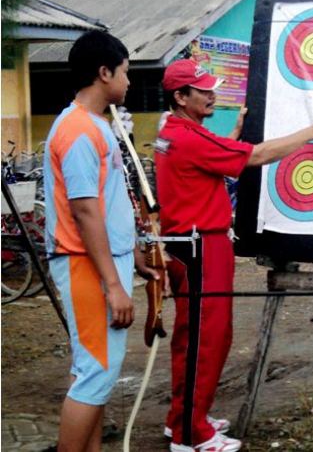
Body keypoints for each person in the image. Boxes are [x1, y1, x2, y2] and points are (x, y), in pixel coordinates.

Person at [154, 58, 313, 452]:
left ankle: (184, 419)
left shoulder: (176, 132)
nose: (212, 94)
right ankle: (192, 435)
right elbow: (254, 157)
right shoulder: (188, 137)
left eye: (211, 87)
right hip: (199, 247)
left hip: (194, 246)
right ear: (180, 96)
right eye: (203, 90)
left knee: (197, 336)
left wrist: (234, 136)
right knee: (205, 339)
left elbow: (213, 157)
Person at [43, 30, 161, 452]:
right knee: (98, 373)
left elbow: (108, 202)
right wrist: (114, 285)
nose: (129, 82)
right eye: (126, 72)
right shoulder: (76, 130)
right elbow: (85, 211)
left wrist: (132, 256)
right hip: (84, 265)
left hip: (104, 261)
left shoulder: (97, 125)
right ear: (104, 72)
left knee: (91, 369)